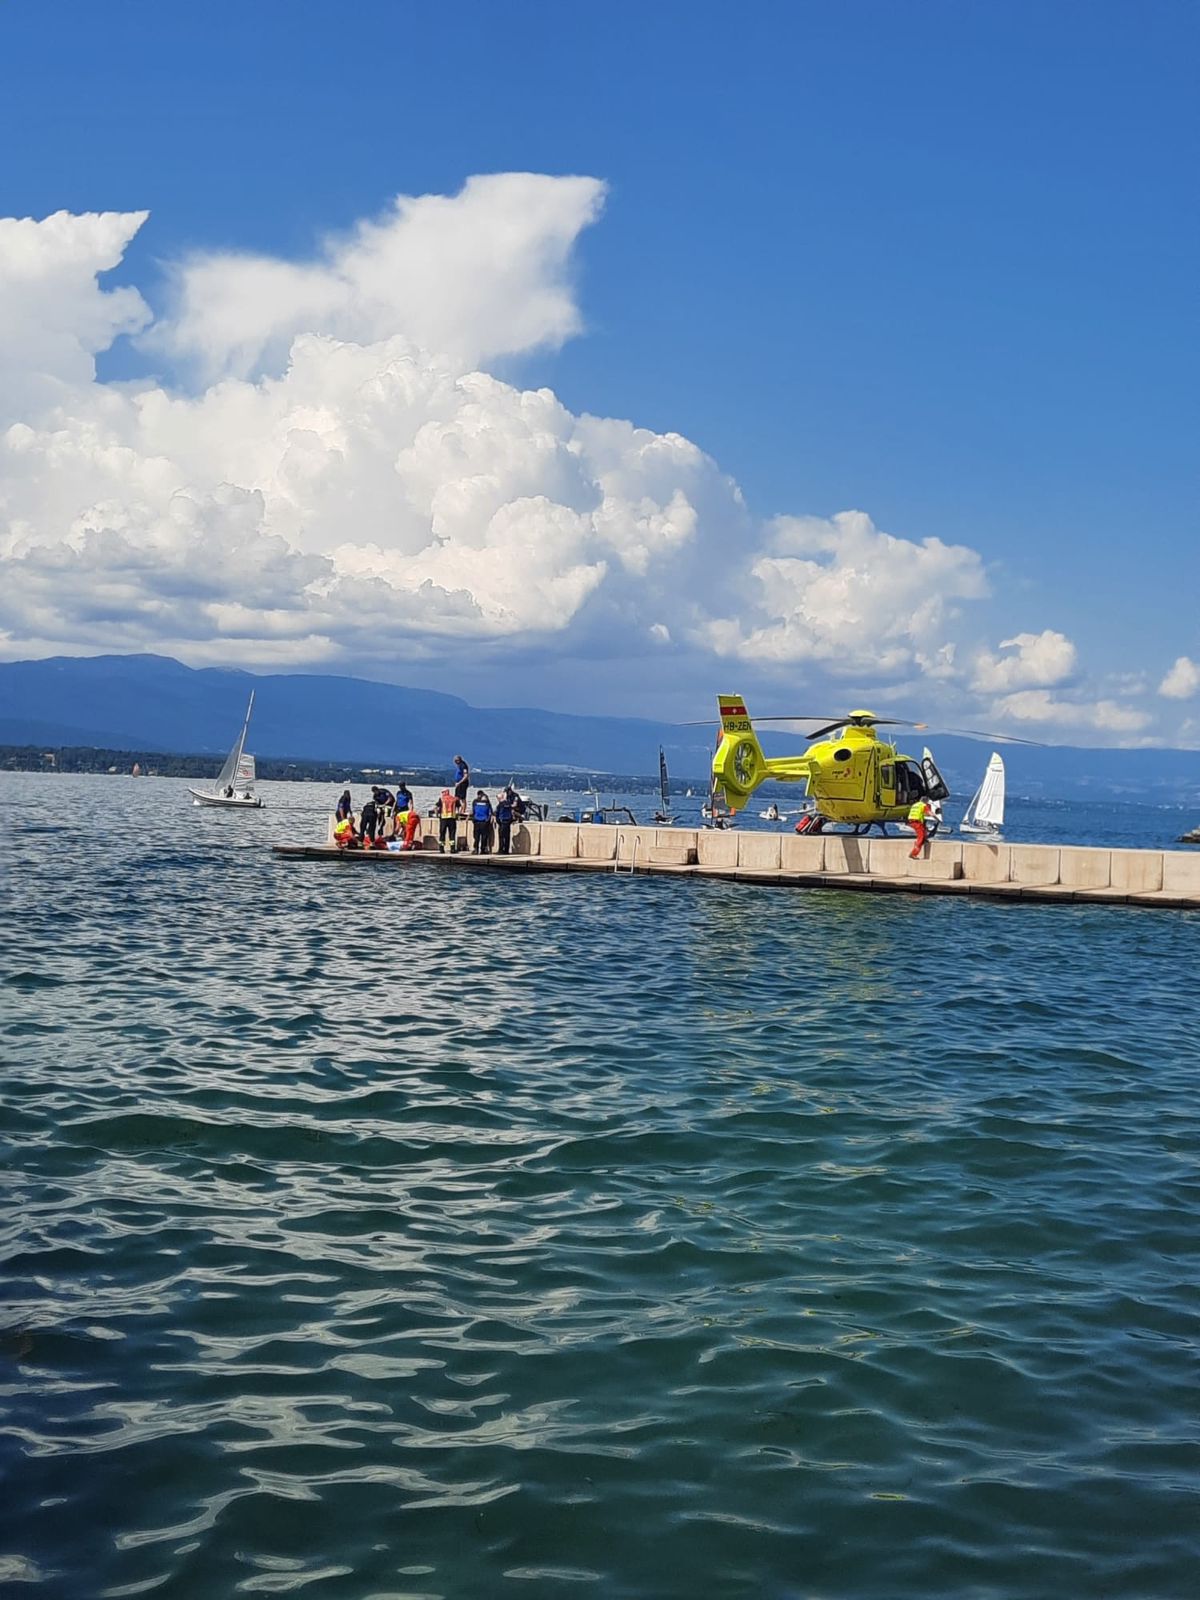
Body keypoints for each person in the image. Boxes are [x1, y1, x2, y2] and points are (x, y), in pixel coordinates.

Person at [437, 788, 462, 852]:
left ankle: (441, 849)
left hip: (443, 819)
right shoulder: (454, 799)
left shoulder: (441, 799)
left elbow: (437, 808)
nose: (442, 794)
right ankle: (452, 849)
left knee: (442, 834)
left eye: (443, 792)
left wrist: (438, 815)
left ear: (445, 792)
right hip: (452, 818)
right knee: (452, 834)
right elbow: (459, 807)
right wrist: (458, 815)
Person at [471, 789, 494, 854]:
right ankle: (483, 849)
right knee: (484, 836)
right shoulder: (487, 802)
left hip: (476, 821)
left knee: (476, 836)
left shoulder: (475, 802)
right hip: (484, 822)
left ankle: (476, 849)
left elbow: (473, 811)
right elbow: (490, 812)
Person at [494, 788, 515, 855]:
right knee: (507, 837)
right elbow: (512, 813)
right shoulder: (509, 804)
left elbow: (497, 814)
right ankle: (506, 850)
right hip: (508, 822)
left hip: (502, 822)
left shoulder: (500, 805)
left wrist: (498, 822)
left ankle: (501, 850)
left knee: (501, 837)